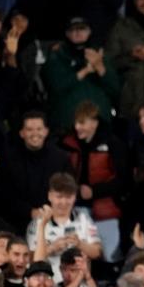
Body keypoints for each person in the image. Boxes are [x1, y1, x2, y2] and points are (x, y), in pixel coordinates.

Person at [60, 101, 127, 263]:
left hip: (106, 212)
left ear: (94, 123)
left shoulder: (113, 144)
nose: (77, 127)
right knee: (78, 258)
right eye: (76, 122)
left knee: (110, 257)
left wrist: (94, 191)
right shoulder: (67, 144)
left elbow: (124, 181)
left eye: (82, 122)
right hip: (76, 210)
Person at [0, 110, 72, 233]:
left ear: (46, 131)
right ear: (22, 133)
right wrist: (29, 212)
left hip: (55, 221)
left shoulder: (61, 158)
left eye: (39, 129)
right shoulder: (9, 160)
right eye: (29, 129)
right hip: (16, 224)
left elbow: (68, 190)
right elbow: (5, 194)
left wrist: (50, 210)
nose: (35, 133)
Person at [42, 16, 120, 132]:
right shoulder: (57, 57)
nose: (78, 33)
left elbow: (116, 90)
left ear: (89, 32)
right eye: (73, 30)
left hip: (99, 127)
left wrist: (100, 67)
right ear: (67, 34)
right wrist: (85, 71)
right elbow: (56, 87)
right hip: (67, 126)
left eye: (82, 29)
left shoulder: (100, 56)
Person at [27, 173, 102, 284]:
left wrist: (79, 244)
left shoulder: (84, 219)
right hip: (48, 284)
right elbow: (30, 259)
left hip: (80, 285)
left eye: (68, 197)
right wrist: (52, 248)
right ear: (50, 196)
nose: (63, 202)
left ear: (75, 197)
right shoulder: (38, 223)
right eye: (59, 197)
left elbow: (97, 252)